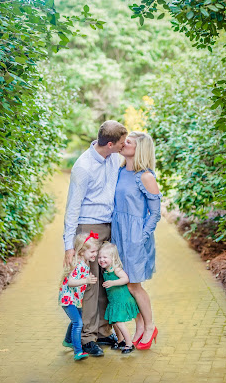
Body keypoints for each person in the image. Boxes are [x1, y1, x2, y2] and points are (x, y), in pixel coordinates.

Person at [63, 120, 128, 356]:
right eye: (121, 143)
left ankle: (102, 331)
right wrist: (69, 245)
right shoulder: (83, 167)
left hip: (109, 225)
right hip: (88, 227)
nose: (124, 146)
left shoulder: (112, 157)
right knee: (89, 284)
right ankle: (86, 337)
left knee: (104, 282)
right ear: (110, 144)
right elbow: (72, 207)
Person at [111, 131, 162, 350]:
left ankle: (150, 327)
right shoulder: (120, 171)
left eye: (128, 142)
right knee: (126, 284)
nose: (123, 144)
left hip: (136, 238)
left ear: (139, 149)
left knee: (134, 285)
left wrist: (139, 237)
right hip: (118, 235)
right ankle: (139, 326)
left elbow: (155, 214)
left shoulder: (146, 177)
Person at [59, 232, 99, 361]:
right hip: (68, 299)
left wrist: (87, 279)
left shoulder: (84, 263)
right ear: (82, 251)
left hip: (74, 299)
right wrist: (86, 280)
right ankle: (78, 351)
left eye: (96, 251)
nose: (95, 254)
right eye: (92, 251)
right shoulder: (77, 264)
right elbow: (70, 282)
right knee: (78, 323)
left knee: (76, 320)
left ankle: (67, 341)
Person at [98, 242, 139, 354]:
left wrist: (113, 282)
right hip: (114, 301)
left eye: (105, 257)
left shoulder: (115, 269)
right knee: (114, 321)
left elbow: (125, 279)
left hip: (121, 300)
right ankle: (120, 340)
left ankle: (129, 344)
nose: (102, 260)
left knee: (119, 322)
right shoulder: (106, 270)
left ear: (113, 258)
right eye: (100, 257)